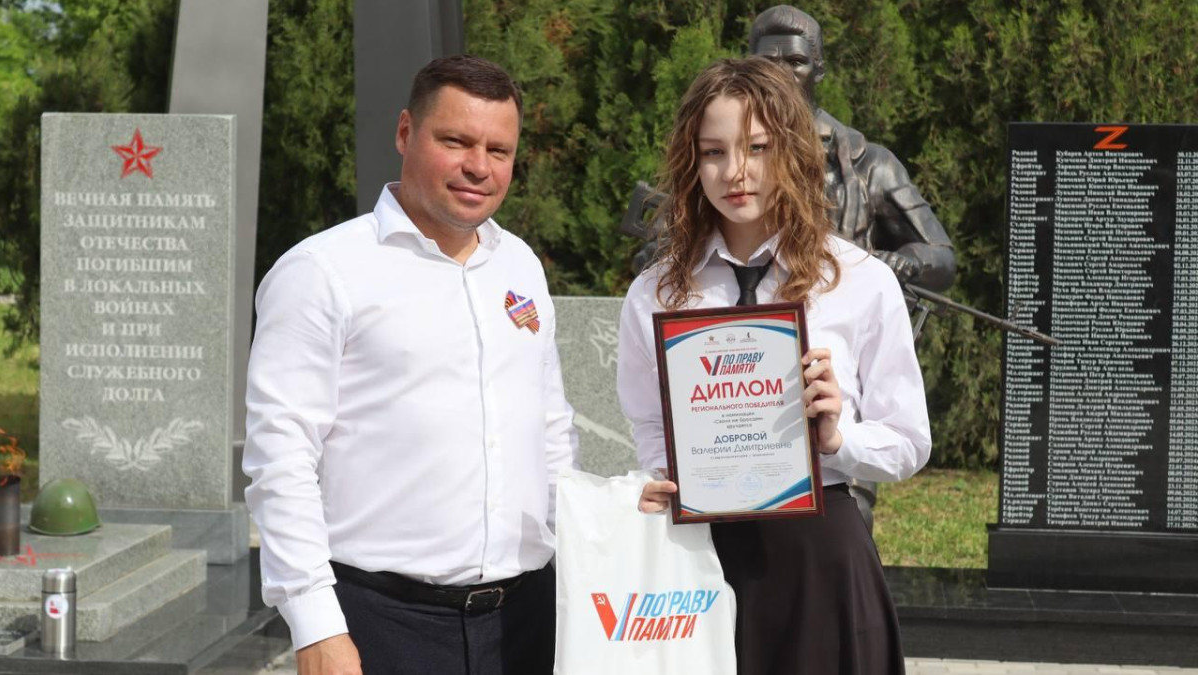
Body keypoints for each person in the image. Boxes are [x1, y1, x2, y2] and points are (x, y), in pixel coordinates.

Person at [244, 54, 579, 675]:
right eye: (456, 141)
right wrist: (316, 626)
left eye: (499, 150)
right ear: (405, 132)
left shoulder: (520, 266)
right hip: (382, 627)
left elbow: (550, 431)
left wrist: (591, 556)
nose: (479, 166)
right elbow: (281, 457)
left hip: (528, 623)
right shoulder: (321, 273)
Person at [617, 57, 931, 674]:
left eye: (758, 147)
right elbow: (649, 425)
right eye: (713, 152)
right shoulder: (655, 293)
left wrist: (837, 439)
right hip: (698, 558)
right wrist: (660, 478)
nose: (736, 172)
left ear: (792, 150)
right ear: (691, 163)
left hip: (820, 558)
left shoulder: (860, 280)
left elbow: (909, 442)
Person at [750, 4, 956, 292]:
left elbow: (942, 257)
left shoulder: (872, 165)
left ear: (818, 70)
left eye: (796, 62)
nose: (782, 74)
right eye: (768, 63)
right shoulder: (723, 160)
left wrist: (907, 261)